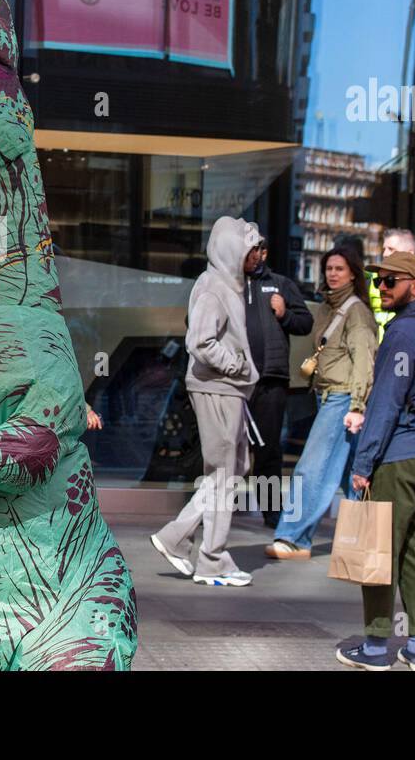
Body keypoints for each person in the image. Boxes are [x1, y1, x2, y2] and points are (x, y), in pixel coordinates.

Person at [335, 251, 415, 671]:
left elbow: (385, 404)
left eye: (391, 281)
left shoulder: (403, 334)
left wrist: (363, 464)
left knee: (379, 550)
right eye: (379, 281)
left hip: (398, 456)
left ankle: (377, 647)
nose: (381, 289)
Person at [150, 216, 260, 587]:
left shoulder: (225, 283)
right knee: (224, 475)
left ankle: (177, 538)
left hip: (224, 389)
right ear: (233, 251)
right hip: (218, 388)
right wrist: (235, 364)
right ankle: (211, 559)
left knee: (229, 471)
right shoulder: (215, 287)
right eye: (252, 249)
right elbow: (199, 341)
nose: (259, 255)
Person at [266, 246, 377, 560]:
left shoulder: (356, 312)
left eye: (340, 268)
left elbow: (363, 364)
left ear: (353, 274)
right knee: (352, 474)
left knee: (311, 469)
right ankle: (366, 538)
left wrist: (357, 405)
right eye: (329, 268)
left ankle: (294, 537)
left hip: (342, 399)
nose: (332, 273)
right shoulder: (328, 308)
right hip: (328, 395)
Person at [243, 237, 313, 527]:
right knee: (226, 450)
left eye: (256, 249)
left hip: (270, 380)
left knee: (268, 449)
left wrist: (284, 313)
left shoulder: (280, 284)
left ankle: (272, 513)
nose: (252, 255)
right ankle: (212, 511)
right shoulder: (226, 284)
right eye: (246, 250)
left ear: (264, 252)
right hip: (234, 381)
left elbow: (305, 322)